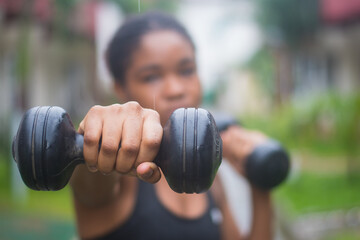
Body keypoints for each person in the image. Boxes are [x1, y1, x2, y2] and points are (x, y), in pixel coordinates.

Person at [70, 11, 272, 240]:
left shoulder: (208, 179)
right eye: (151, 77)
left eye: (186, 71)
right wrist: (96, 141)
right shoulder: (115, 170)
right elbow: (90, 184)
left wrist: (260, 180)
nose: (176, 89)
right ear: (120, 88)